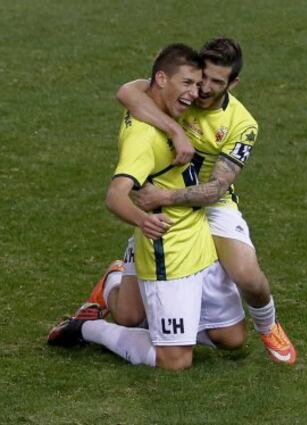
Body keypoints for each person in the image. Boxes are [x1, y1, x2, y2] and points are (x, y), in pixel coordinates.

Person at [48, 43, 247, 370]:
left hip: (200, 234)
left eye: (198, 85)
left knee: (232, 338)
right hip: (169, 247)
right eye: (187, 84)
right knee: (175, 360)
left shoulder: (159, 105)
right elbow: (115, 195)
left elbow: (129, 90)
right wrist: (142, 220)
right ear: (161, 80)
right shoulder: (142, 138)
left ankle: (117, 279)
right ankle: (86, 327)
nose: (196, 94)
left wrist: (174, 128)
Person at [113, 37, 296, 365]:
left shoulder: (242, 124)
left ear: (233, 83)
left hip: (209, 205)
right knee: (128, 315)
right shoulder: (183, 91)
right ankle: (122, 280)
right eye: (204, 77)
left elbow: (216, 188)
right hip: (168, 210)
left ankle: (268, 326)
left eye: (217, 82)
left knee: (248, 276)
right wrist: (175, 131)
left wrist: (166, 195)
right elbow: (126, 93)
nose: (205, 89)